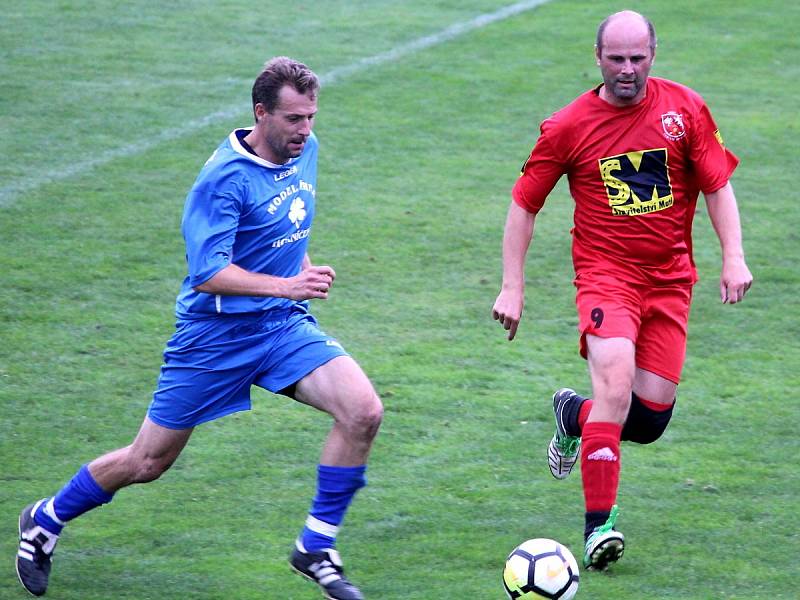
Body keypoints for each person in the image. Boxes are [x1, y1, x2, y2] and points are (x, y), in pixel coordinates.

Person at [15, 56, 383, 600]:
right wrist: (288, 286)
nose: (306, 130)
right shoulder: (223, 180)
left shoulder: (307, 152)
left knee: (363, 411)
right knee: (148, 461)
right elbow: (209, 272)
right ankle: (45, 518)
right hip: (213, 340)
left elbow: (285, 226)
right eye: (293, 119)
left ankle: (316, 546)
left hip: (281, 327)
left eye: (311, 117)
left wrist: (300, 270)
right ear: (261, 114)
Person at [491, 11, 752, 571]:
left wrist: (733, 256)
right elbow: (523, 203)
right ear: (597, 56)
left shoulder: (685, 109)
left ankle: (573, 415)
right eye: (617, 58)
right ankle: (597, 528)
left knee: (650, 419)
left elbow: (718, 186)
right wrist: (513, 286)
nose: (628, 70)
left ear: (653, 54)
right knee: (614, 387)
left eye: (638, 58)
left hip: (670, 279)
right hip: (606, 276)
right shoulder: (567, 126)